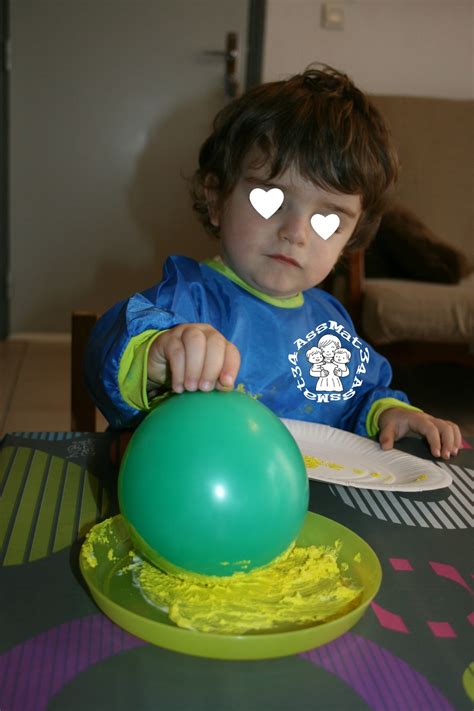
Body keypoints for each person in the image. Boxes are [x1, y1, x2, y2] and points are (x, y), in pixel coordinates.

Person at [85, 64, 461, 460]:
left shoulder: (331, 321)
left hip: (307, 500)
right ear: (216, 198)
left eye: (327, 219)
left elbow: (358, 397)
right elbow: (109, 349)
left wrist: (391, 413)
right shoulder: (189, 298)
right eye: (271, 199)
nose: (295, 232)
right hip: (199, 499)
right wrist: (158, 353)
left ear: (352, 235)